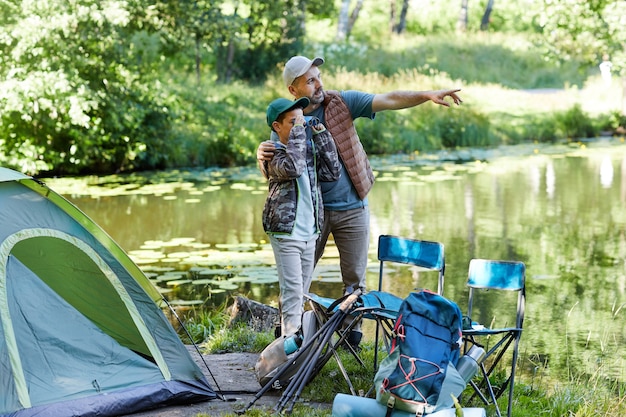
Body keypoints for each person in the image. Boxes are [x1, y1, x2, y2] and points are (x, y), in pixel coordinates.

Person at [257, 56, 462, 347]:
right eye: (310, 80)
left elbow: (388, 98)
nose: (319, 84)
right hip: (311, 216)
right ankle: (288, 341)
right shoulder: (288, 119)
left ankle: (349, 340)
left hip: (353, 206)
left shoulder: (342, 103)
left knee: (354, 280)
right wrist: (260, 157)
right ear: (293, 90)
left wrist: (427, 95)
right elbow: (276, 165)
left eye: (318, 76)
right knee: (297, 282)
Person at [262, 96, 341, 340]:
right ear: (277, 127)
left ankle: (293, 344)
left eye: (302, 120)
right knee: (293, 292)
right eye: (293, 121)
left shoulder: (306, 149)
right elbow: (293, 168)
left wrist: (321, 134)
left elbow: (334, 171)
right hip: (287, 233)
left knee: (301, 291)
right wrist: (299, 132)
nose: (300, 126)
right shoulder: (273, 154)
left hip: (310, 231)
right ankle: (290, 348)